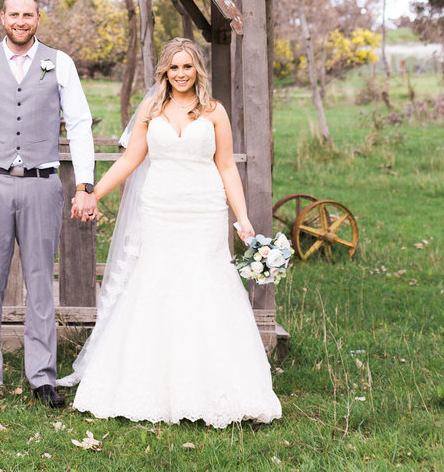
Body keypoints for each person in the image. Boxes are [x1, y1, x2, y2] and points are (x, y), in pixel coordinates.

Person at [60, 37, 282, 428]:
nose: (181, 74)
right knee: (156, 285)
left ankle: (218, 388)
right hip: (160, 208)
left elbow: (227, 167)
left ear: (198, 70)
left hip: (204, 209)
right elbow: (130, 160)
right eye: (174, 67)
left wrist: (242, 217)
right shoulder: (152, 108)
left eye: (187, 66)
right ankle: (149, 386)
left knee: (206, 285)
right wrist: (93, 194)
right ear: (165, 71)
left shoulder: (214, 112)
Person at [0, 0, 97, 411]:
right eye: (13, 14)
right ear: (2, 17)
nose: (20, 21)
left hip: (42, 183)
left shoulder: (60, 63)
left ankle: (43, 377)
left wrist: (85, 184)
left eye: (28, 15)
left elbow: (80, 123)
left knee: (39, 282)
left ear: (38, 19)